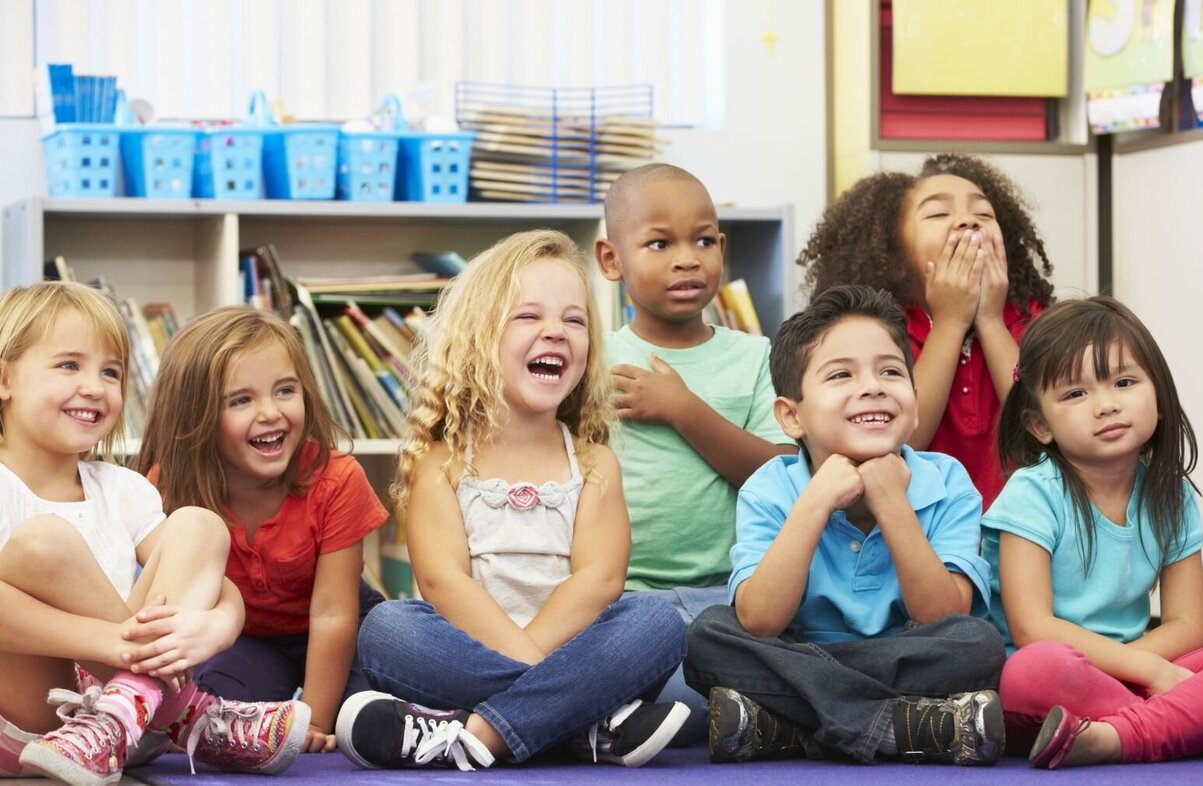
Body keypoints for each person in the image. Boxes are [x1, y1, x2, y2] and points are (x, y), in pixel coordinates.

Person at [335, 230, 689, 772]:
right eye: (528, 317)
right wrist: (537, 669)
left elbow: (598, 582)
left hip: (577, 650)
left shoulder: (594, 465)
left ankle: (469, 732)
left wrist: (543, 657)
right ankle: (586, 724)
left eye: (574, 321)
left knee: (658, 621)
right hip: (471, 655)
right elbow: (443, 583)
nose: (555, 332)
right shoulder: (443, 463)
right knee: (387, 631)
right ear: (478, 338)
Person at [984, 295, 1203, 768]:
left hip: (1139, 670)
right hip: (1060, 682)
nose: (1106, 405)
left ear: (1156, 392)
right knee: (1033, 670)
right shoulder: (1031, 493)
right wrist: (1144, 670)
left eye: (1123, 382)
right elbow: (1034, 628)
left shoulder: (1170, 494)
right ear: (1039, 424)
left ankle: (1116, 738)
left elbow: (1186, 624)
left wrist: (1139, 667)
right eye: (1076, 393)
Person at [684, 284, 1006, 766]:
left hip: (902, 653)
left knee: (977, 645)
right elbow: (761, 620)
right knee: (709, 636)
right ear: (791, 416)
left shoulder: (948, 480)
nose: (873, 386)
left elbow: (943, 615)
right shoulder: (769, 488)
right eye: (841, 375)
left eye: (890, 371)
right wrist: (815, 502)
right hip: (800, 649)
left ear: (914, 403)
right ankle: (900, 725)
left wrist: (892, 503)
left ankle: (790, 727)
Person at [0, 282, 308, 785]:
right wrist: (121, 646)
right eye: (69, 365)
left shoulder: (123, 489)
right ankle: (187, 714)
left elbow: (210, 571)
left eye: (111, 372)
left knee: (200, 523)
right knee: (45, 542)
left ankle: (130, 707)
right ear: (4, 378)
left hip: (124, 717)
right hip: (27, 715)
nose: (95, 386)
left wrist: (220, 627)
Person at [595, 162, 795, 741]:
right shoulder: (593, 358)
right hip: (621, 599)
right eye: (659, 243)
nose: (688, 258)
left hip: (730, 598)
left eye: (703, 240)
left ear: (722, 249)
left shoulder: (758, 356)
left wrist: (683, 409)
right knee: (617, 670)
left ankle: (650, 716)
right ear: (612, 260)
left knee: (733, 677)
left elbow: (781, 474)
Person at [136, 306, 387, 754]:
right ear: (195, 416)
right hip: (245, 633)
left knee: (363, 717)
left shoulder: (338, 479)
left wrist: (314, 718)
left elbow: (332, 615)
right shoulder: (168, 487)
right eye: (241, 399)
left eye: (285, 391)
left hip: (342, 626)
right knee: (217, 712)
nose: (270, 413)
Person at [797, 154, 1055, 506]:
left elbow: (1048, 428)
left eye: (983, 214)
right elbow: (901, 440)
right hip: (921, 525)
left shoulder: (1030, 318)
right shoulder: (881, 333)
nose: (968, 222)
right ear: (895, 258)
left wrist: (991, 321)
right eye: (938, 214)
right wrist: (951, 322)